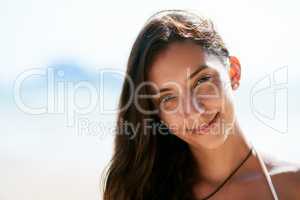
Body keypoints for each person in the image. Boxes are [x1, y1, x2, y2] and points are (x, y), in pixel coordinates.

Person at [101, 9, 300, 200]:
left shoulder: (294, 184)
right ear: (156, 113)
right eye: (168, 98)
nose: (194, 111)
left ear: (233, 73)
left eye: (201, 81)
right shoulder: (138, 192)